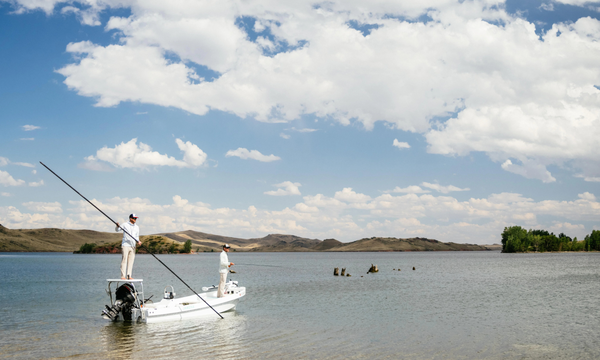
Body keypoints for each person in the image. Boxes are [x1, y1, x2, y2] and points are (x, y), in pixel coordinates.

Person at [115, 214, 141, 280]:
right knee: (124, 260)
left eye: (136, 218)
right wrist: (117, 226)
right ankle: (122, 276)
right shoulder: (125, 225)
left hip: (133, 246)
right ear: (130, 218)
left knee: (131, 261)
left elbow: (136, 236)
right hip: (125, 245)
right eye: (134, 218)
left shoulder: (137, 227)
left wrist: (138, 241)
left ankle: (129, 276)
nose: (135, 220)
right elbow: (117, 230)